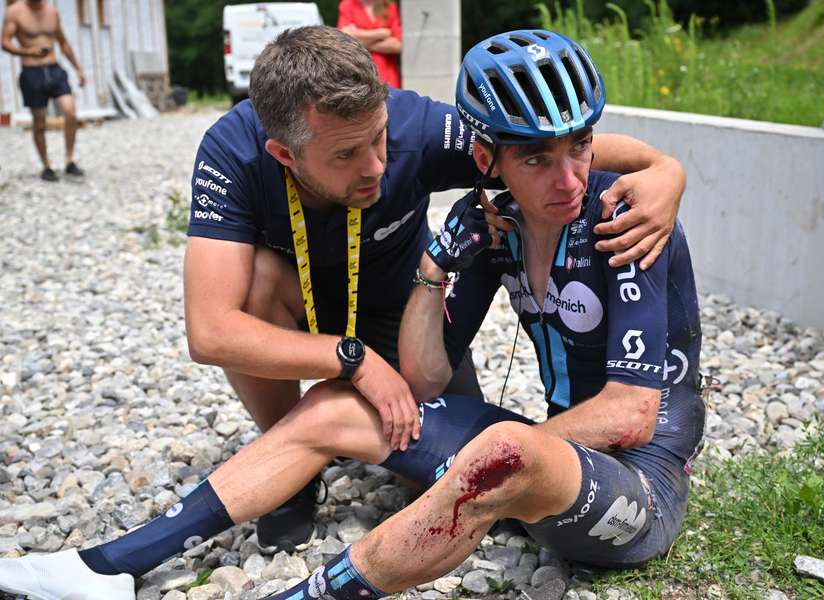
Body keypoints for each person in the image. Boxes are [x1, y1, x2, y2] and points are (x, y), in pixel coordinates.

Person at [0, 29, 703, 600]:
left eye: (582, 145)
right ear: (489, 162)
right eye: (536, 158)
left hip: (636, 482)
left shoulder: (621, 220)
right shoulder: (488, 220)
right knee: (329, 403)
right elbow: (220, 333)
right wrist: (433, 271)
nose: (571, 177)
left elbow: (630, 416)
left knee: (495, 458)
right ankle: (104, 567)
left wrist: (667, 171)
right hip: (384, 361)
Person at [183, 25, 685, 550]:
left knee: (437, 476)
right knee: (256, 280)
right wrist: (351, 360)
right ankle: (293, 475)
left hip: (398, 312)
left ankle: (338, 428)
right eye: (345, 155)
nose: (375, 165)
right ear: (284, 155)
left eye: (379, 138)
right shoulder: (232, 153)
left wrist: (665, 171)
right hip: (295, 307)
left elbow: (551, 145)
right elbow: (211, 332)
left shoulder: (416, 126)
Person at [1, 0, 86, 181]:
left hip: (54, 69)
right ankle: (46, 166)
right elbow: (5, 42)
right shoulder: (15, 11)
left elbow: (63, 42)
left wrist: (78, 69)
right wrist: (27, 51)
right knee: (40, 122)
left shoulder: (51, 11)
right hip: (32, 71)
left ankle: (69, 160)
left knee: (70, 112)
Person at [338, 0, 401, 87]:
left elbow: (397, 45)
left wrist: (358, 37)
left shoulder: (389, 5)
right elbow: (344, 38)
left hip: (387, 76)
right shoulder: (349, 4)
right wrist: (381, 33)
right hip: (358, 74)